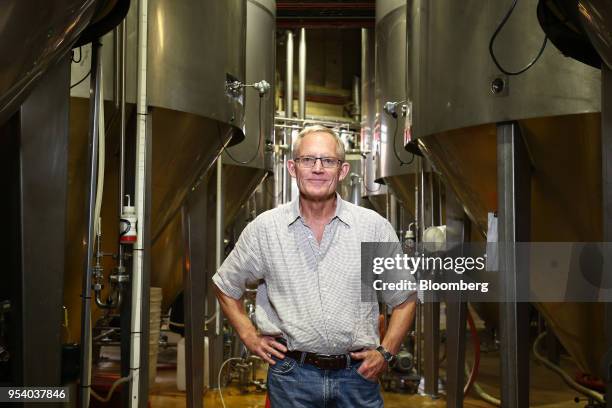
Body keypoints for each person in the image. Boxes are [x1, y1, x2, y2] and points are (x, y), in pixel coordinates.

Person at [212, 125, 417, 407]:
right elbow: (225, 285)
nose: (317, 168)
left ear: (342, 171)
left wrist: (387, 353)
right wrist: (249, 336)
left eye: (328, 161)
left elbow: (404, 298)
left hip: (357, 377)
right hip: (291, 377)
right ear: (292, 167)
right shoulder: (266, 229)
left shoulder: (373, 228)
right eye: (308, 160)